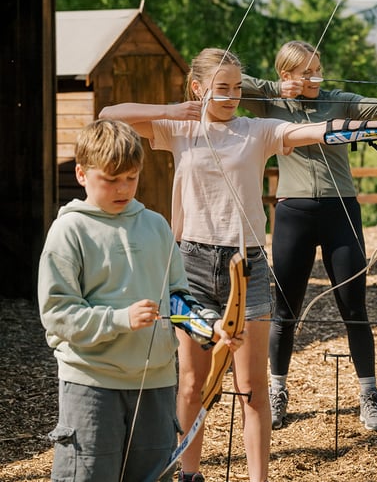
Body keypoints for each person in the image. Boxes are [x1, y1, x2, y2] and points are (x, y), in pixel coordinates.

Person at [100, 48, 377, 482]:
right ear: (199, 89)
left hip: (246, 269)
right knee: (192, 384)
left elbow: (322, 131)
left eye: (236, 88)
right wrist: (176, 109)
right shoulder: (179, 128)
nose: (231, 97)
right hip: (187, 269)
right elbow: (108, 115)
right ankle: (189, 475)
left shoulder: (257, 130)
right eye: (222, 89)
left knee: (251, 390)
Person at [38, 119, 241, 482]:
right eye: (110, 179)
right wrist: (120, 319)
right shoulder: (69, 230)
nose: (122, 188)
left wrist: (210, 328)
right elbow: (58, 313)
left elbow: (176, 296)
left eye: (130, 178)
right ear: (82, 174)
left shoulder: (156, 225)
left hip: (156, 385)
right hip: (92, 385)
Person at [240, 40, 377, 433]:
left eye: (317, 67)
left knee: (355, 309)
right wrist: (275, 89)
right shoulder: (271, 105)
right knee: (285, 311)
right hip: (293, 214)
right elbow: (229, 85)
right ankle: (277, 391)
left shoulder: (337, 101)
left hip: (342, 212)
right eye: (305, 72)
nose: (315, 77)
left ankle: (369, 395)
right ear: (287, 75)